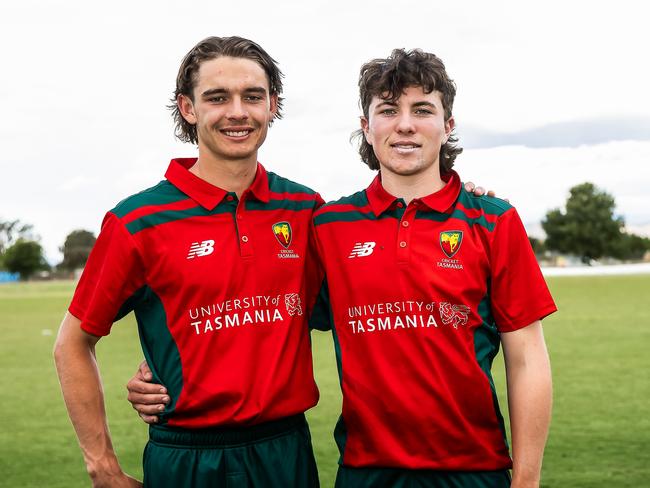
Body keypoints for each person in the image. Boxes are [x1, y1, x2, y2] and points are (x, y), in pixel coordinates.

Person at [53, 36, 324, 488]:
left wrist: (462, 202)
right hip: (187, 458)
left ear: (272, 105)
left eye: (252, 96)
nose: (238, 111)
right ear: (188, 107)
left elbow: (369, 294)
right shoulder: (138, 220)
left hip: (286, 451)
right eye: (217, 98)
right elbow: (71, 344)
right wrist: (102, 467)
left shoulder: (305, 208)